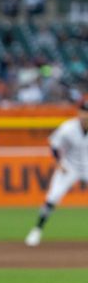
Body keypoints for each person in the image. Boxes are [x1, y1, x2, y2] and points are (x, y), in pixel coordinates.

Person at [25, 98, 88, 246]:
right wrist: (59, 163)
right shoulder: (68, 128)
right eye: (83, 111)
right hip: (69, 166)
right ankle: (37, 230)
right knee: (53, 197)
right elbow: (54, 145)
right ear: (78, 113)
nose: (85, 115)